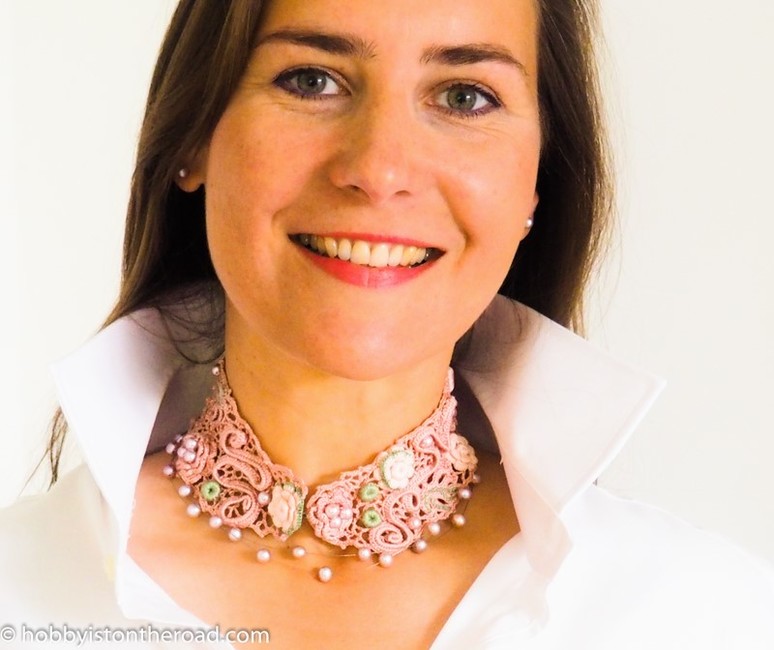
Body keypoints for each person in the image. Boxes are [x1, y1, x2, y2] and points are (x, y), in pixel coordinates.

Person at [2, 0, 773, 648]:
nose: (380, 169)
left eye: (464, 96)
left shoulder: (708, 616)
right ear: (194, 136)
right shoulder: (19, 589)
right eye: (312, 80)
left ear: (538, 178)